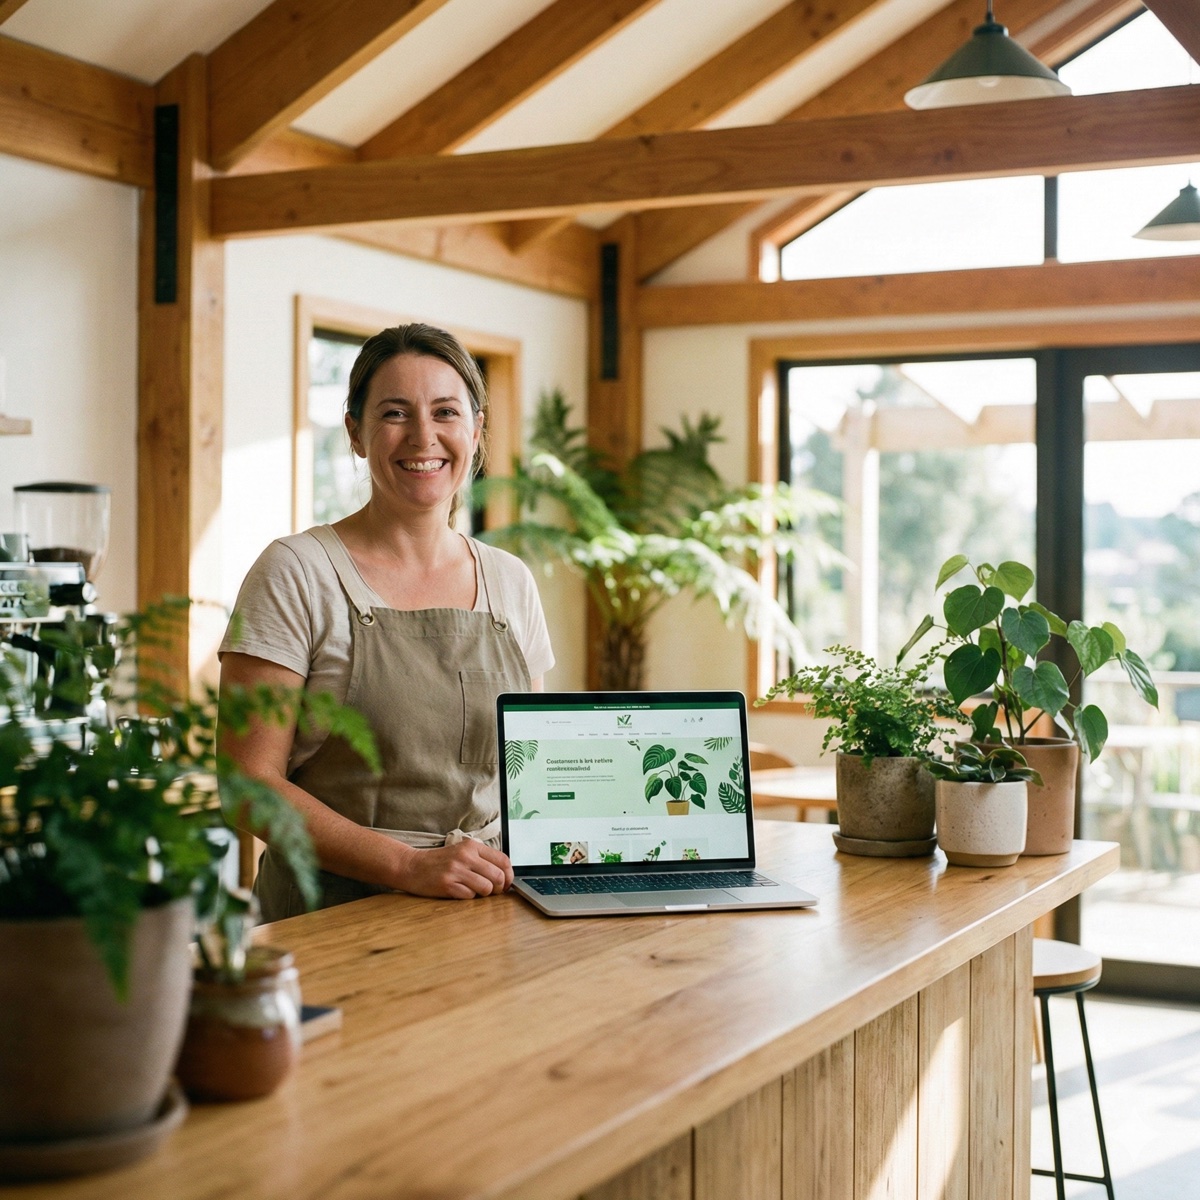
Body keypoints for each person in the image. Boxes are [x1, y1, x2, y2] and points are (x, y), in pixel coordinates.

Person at [219, 323, 554, 920]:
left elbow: (532, 775)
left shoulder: (511, 582)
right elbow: (247, 784)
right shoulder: (297, 572)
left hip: (483, 907)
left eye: (446, 412)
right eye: (395, 413)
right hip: (329, 917)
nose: (423, 437)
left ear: (476, 432)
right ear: (355, 432)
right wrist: (408, 866)